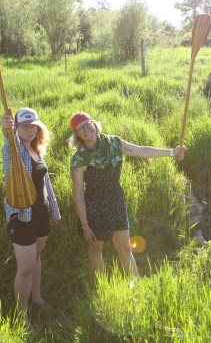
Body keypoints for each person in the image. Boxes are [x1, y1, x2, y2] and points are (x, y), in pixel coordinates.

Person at [69, 111, 185, 277]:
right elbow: (78, 194)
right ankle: (100, 287)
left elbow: (142, 151)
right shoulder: (78, 159)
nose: (86, 129)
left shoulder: (114, 143)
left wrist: (171, 152)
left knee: (125, 247)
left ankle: (135, 286)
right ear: (77, 135)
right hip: (94, 205)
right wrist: (85, 226)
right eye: (80, 129)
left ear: (94, 124)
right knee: (96, 247)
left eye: (88, 124)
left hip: (116, 199)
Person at [0, 107, 61, 313]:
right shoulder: (13, 150)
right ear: (17, 127)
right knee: (25, 268)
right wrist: (7, 127)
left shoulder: (37, 150)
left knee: (36, 258)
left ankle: (37, 299)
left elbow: (46, 184)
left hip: (41, 213)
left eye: (33, 125)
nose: (29, 129)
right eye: (24, 126)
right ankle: (21, 314)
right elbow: (9, 139)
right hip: (22, 215)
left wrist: (54, 211)